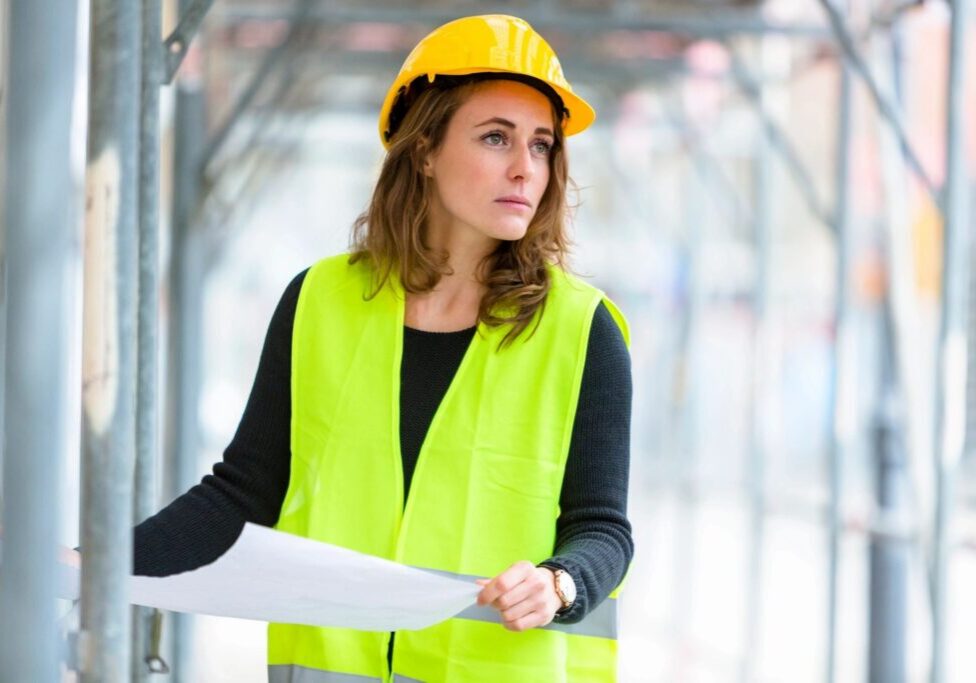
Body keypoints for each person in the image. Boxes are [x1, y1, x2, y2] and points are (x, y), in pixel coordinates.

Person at [134, 14, 633, 683]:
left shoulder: (582, 330)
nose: (525, 168)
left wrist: (560, 583)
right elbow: (240, 494)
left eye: (542, 146)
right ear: (423, 149)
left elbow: (604, 528)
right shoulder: (318, 303)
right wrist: (105, 562)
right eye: (496, 137)